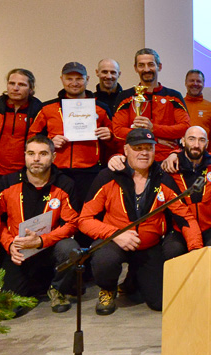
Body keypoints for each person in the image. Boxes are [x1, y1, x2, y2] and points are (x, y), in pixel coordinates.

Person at [79, 128, 203, 314]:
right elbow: (84, 219)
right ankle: (108, 288)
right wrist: (116, 234)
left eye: (149, 148)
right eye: (138, 148)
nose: (144, 153)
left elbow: (186, 218)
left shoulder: (164, 179)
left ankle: (133, 280)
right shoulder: (109, 176)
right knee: (105, 260)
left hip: (149, 246)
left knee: (160, 303)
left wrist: (196, 251)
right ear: (126, 150)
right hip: (115, 242)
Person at [0, 135, 80, 312]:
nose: (36, 159)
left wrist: (42, 241)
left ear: (53, 157)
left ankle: (58, 289)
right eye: (31, 153)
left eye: (43, 154)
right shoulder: (6, 183)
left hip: (50, 249)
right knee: (10, 310)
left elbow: (71, 224)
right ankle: (35, 286)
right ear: (24, 155)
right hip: (19, 251)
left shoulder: (66, 184)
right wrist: (9, 244)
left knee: (70, 248)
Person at [28, 62, 116, 211]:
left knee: (87, 212)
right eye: (69, 78)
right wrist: (49, 142)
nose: (74, 83)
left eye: (79, 78)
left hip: (89, 172)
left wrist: (110, 136)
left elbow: (117, 139)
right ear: (62, 79)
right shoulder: (47, 108)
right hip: (56, 171)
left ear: (87, 79)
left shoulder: (101, 108)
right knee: (56, 212)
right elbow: (32, 137)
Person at [158, 125, 211, 258]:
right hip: (179, 227)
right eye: (191, 139)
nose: (196, 145)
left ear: (207, 143)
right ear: (183, 141)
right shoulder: (170, 167)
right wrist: (116, 157)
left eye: (201, 140)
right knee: (172, 252)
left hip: (209, 226)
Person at [112, 48, 190, 162]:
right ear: (135, 68)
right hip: (135, 159)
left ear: (159, 66)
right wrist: (155, 139)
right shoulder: (125, 97)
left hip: (168, 159)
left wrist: (153, 128)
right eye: (141, 65)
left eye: (151, 64)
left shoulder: (174, 96)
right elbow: (118, 132)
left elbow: (185, 128)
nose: (146, 69)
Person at [184, 69, 211, 134]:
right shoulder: (178, 104)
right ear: (185, 83)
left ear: (203, 84)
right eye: (192, 81)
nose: (195, 84)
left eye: (198, 81)